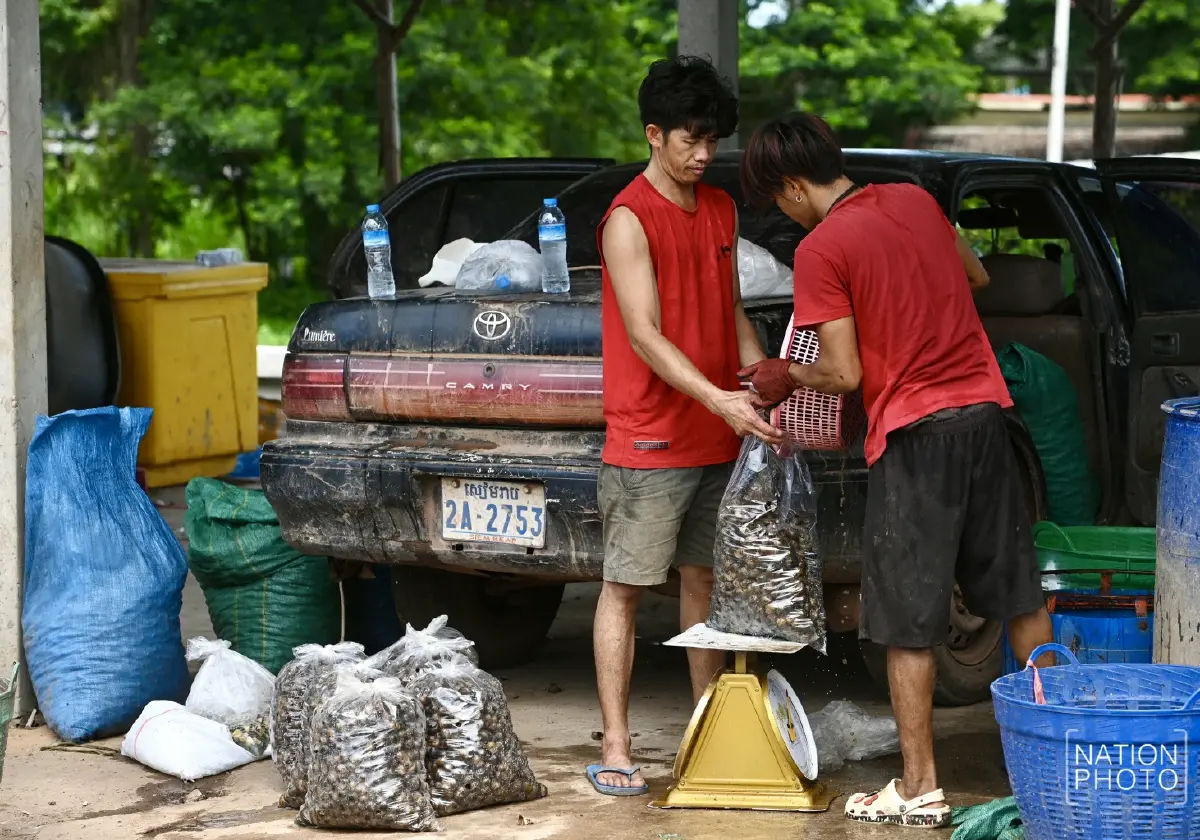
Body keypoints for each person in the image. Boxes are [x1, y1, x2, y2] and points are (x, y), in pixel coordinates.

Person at [737, 113, 1053, 829]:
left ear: (792, 185)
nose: (783, 214)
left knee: (909, 622)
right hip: (985, 416)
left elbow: (844, 373)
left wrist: (785, 372)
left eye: (777, 201)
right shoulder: (914, 199)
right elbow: (974, 274)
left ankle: (918, 786)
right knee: (1018, 597)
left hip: (917, 435)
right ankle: (1053, 753)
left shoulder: (823, 248)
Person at [587, 56, 784, 797]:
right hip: (649, 437)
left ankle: (705, 727)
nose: (704, 154)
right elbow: (644, 333)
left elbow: (726, 307)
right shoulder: (628, 220)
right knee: (626, 586)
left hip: (718, 426)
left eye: (712, 141)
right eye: (690, 140)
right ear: (653, 134)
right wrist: (720, 400)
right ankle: (616, 742)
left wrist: (763, 382)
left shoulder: (724, 210)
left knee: (703, 579)